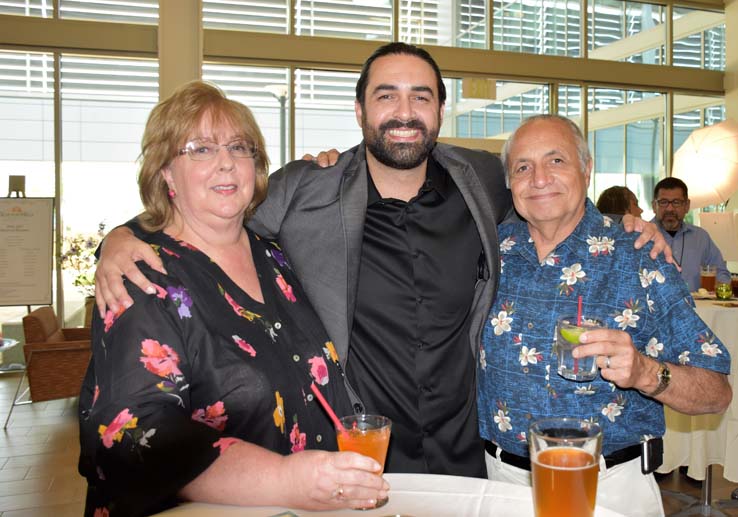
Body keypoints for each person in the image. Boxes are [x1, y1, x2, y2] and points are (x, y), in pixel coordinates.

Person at [93, 43, 669, 479]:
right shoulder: (306, 189)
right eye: (386, 95)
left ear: (441, 109)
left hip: (467, 450)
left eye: (421, 95)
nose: (404, 110)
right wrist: (120, 236)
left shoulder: (485, 180)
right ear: (360, 110)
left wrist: (627, 225)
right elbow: (207, 219)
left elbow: (550, 197)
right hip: (359, 449)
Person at [77, 81, 388, 517]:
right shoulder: (142, 276)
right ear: (166, 171)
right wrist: (286, 480)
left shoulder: (274, 254)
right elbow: (131, 434)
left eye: (239, 148)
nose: (225, 163)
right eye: (200, 149)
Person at [477, 114, 732, 517]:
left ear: (587, 168)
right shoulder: (491, 251)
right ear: (509, 183)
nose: (539, 178)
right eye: (523, 167)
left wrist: (645, 372)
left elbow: (717, 392)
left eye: (556, 160)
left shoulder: (638, 255)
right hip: (501, 484)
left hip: (608, 488)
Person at [651, 177, 731, 292]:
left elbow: (722, 274)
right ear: (654, 206)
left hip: (696, 308)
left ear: (687, 205)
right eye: (663, 202)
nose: (670, 208)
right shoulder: (641, 236)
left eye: (676, 202)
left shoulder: (701, 237)